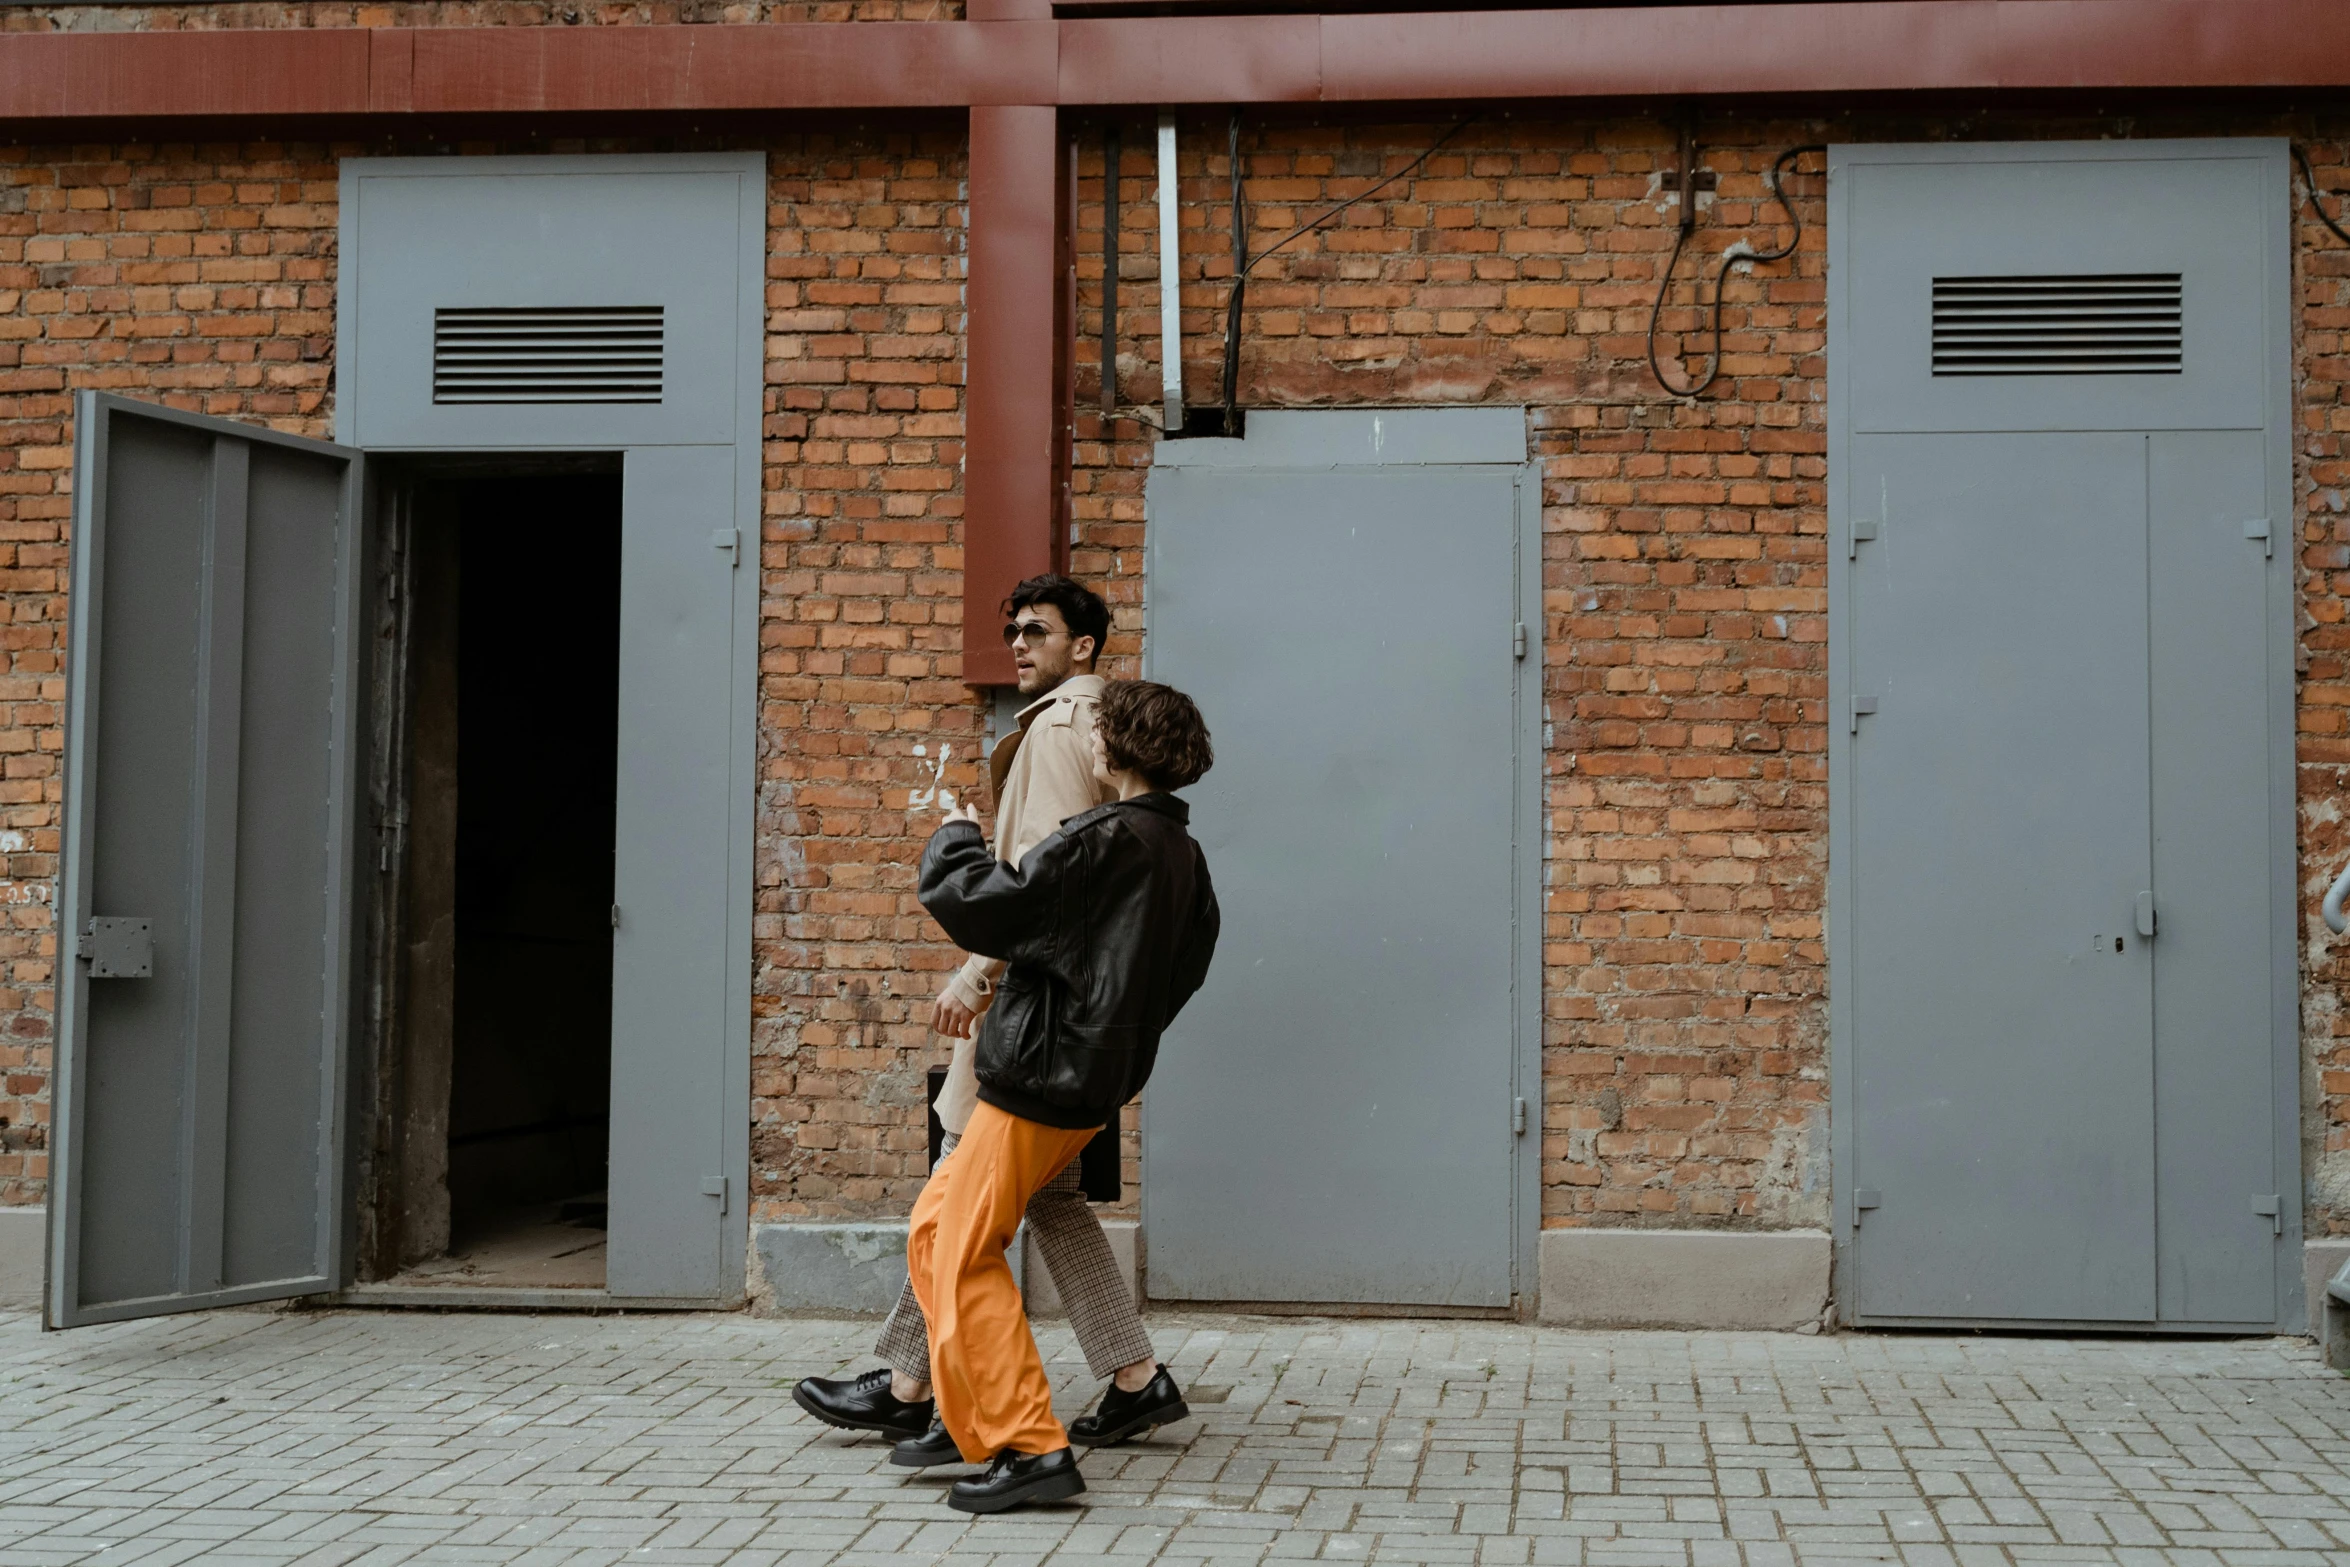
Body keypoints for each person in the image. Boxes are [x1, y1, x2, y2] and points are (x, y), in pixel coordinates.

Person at [792, 576, 1188, 1463]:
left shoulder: (1057, 726)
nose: (1017, 642)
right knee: (1029, 1197)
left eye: (1036, 629)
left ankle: (920, 1387)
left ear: (1083, 645)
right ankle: (1129, 1377)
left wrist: (977, 977)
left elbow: (1037, 883)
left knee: (957, 1204)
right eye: (1010, 629)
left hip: (1038, 1010)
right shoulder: (1111, 744)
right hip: (1082, 1017)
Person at [908, 678, 1220, 1512]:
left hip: (1041, 1079)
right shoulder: (1183, 853)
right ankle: (977, 1421)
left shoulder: (1103, 839)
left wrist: (954, 837)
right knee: (937, 1228)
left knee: (965, 1248)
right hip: (1087, 1080)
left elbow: (986, 907)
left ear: (1112, 748)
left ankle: (1029, 1446)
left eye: (1099, 734)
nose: (1089, 742)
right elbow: (1183, 971)